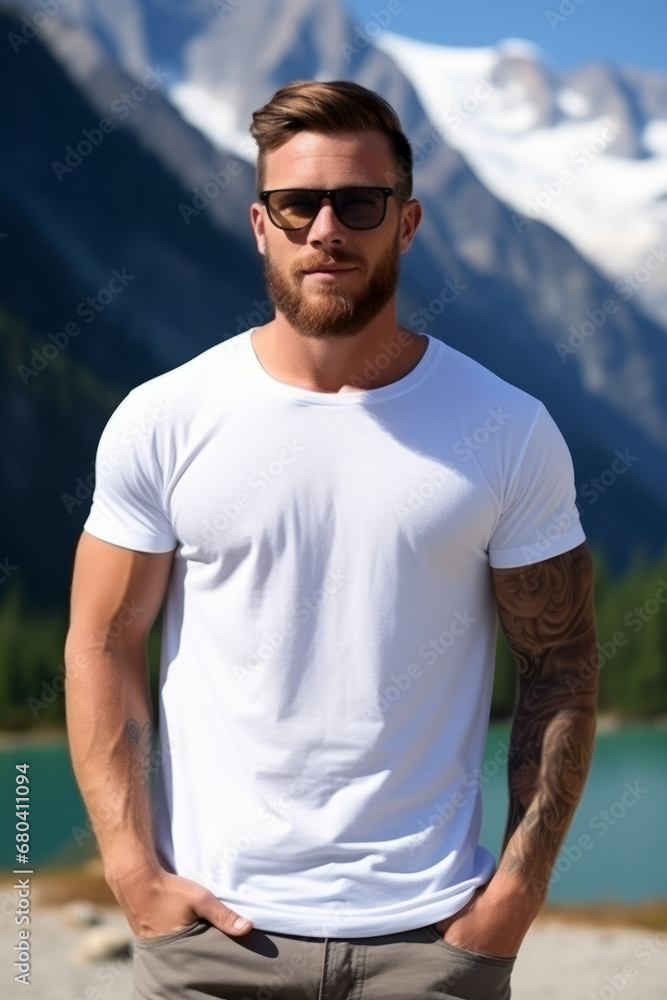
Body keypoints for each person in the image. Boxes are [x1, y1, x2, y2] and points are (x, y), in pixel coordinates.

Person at [65, 79, 599, 1000]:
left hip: (431, 950)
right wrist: (130, 872)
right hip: (211, 946)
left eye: (359, 202)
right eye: (296, 203)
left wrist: (514, 891)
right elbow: (101, 643)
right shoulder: (164, 419)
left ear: (407, 222)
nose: (326, 229)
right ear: (259, 223)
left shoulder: (507, 430)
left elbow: (560, 664)